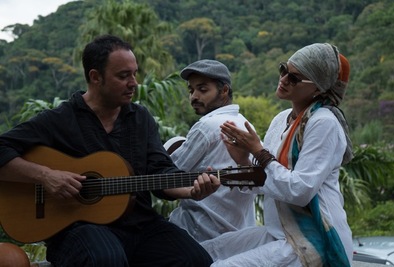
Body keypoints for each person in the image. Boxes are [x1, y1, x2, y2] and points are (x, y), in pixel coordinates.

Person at [0, 34, 219, 267]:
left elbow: (160, 171)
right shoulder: (61, 119)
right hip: (79, 229)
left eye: (134, 73)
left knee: (195, 260)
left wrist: (190, 190)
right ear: (95, 77)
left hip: (140, 225)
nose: (134, 82)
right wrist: (46, 176)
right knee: (106, 258)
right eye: (123, 76)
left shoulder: (140, 118)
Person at [201, 43, 354, 266]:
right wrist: (242, 159)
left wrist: (257, 151)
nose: (283, 79)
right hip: (280, 231)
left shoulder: (324, 123)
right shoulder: (281, 119)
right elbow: (270, 177)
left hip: (312, 239)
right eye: (284, 69)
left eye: (294, 78)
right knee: (205, 251)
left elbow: (299, 190)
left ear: (318, 89)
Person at [167, 59, 258, 242]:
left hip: (199, 233)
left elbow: (167, 171)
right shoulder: (247, 125)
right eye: (191, 90)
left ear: (224, 91)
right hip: (239, 234)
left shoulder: (207, 126)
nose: (194, 97)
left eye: (202, 89)